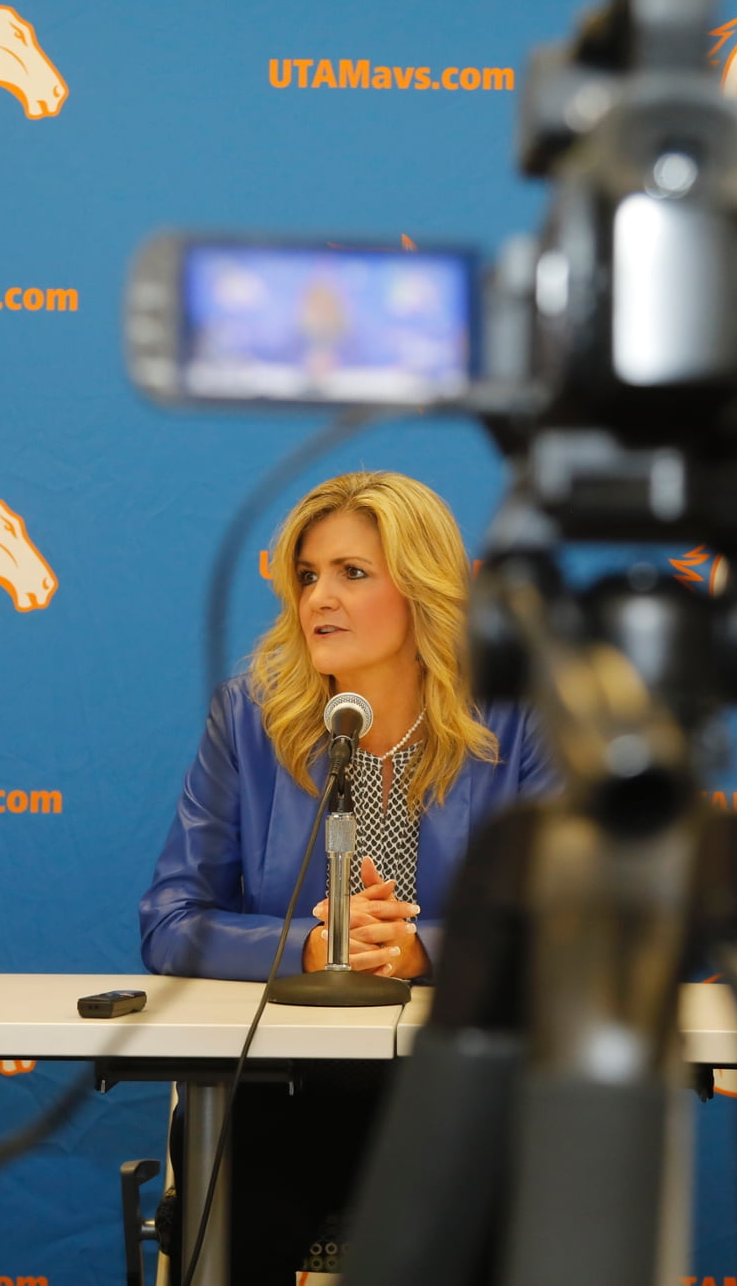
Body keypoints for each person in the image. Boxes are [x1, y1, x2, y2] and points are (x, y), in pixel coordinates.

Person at [139, 470, 553, 1281]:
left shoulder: (518, 719)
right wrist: (312, 945)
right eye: (307, 575)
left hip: (459, 1084)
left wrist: (422, 950)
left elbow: (571, 924)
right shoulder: (250, 717)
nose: (319, 598)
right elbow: (170, 920)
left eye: (352, 573)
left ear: (425, 589)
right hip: (287, 1086)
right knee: (234, 1204)